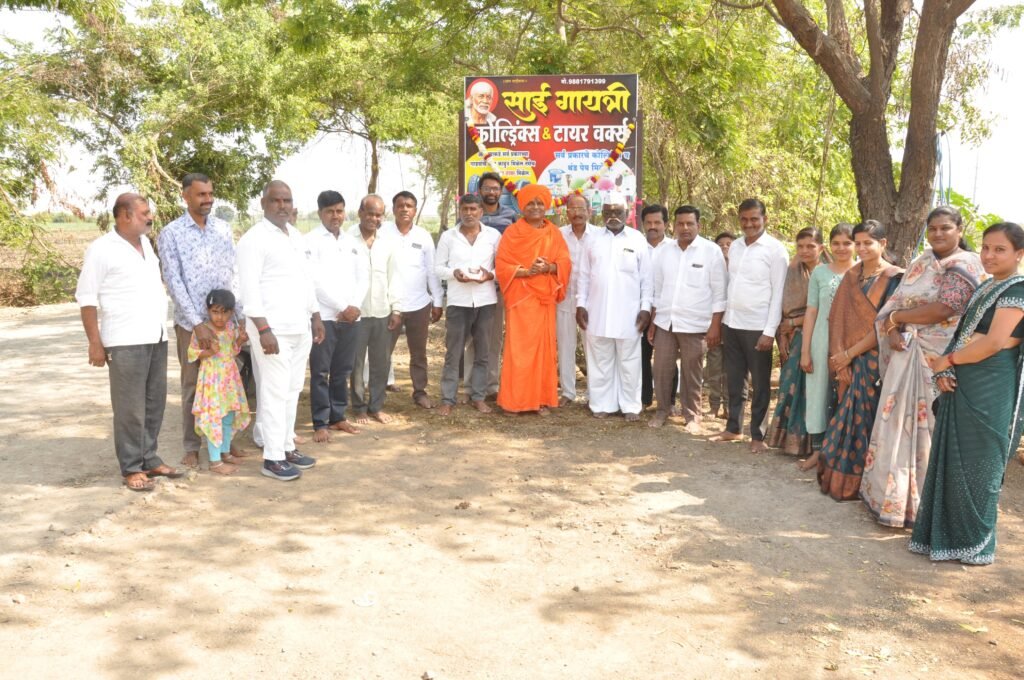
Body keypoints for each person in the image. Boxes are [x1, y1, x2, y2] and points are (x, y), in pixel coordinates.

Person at [860, 207, 984, 527]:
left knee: (929, 431)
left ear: (959, 230)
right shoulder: (922, 261)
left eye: (945, 228)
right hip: (907, 352)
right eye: (933, 228)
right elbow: (898, 303)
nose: (938, 234)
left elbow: (945, 309)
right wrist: (892, 327)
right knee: (895, 426)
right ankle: (891, 500)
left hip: (940, 359)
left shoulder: (965, 264)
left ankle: (925, 508)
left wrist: (897, 319)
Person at [909, 222, 1024, 565]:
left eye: (1000, 249)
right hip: (963, 379)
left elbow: (994, 342)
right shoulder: (987, 286)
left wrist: (947, 361)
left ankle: (976, 543)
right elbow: (964, 335)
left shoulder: (1018, 290)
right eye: (986, 247)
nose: (989, 255)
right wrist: (945, 369)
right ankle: (943, 537)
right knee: (952, 458)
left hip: (991, 386)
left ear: (1019, 254)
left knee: (981, 462)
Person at [75, 193, 180, 491]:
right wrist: (95, 342)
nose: (150, 217)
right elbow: (86, 298)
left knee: (154, 404)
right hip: (125, 340)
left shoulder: (146, 244)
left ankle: (150, 459)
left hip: (155, 336)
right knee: (129, 408)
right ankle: (132, 467)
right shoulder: (101, 249)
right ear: (125, 215)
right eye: (144, 213)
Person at [235, 180, 323, 481]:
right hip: (272, 331)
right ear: (263, 203)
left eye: (287, 200)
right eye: (276, 200)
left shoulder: (295, 236)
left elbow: (307, 280)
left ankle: (286, 446)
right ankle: (272, 457)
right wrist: (263, 329)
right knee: (273, 392)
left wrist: (316, 316)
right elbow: (248, 290)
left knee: (292, 389)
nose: (282, 205)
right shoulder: (253, 240)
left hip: (300, 326)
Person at [158, 173, 243, 469]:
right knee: (194, 386)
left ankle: (225, 443)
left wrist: (239, 318)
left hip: (225, 323)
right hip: (191, 325)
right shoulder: (171, 233)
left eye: (210, 193)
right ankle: (192, 446)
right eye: (200, 194)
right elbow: (173, 280)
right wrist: (197, 323)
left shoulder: (223, 229)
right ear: (185, 196)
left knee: (227, 384)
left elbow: (233, 274)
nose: (208, 199)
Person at [817, 220, 903, 500]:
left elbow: (883, 326)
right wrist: (840, 357)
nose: (862, 248)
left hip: (874, 361)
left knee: (866, 419)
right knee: (845, 414)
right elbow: (836, 320)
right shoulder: (852, 276)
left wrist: (849, 355)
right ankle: (842, 478)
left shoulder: (893, 278)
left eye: (869, 242)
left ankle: (865, 484)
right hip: (845, 357)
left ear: (883, 244)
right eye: (859, 243)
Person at [711, 199, 789, 453]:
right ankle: (734, 428)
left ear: (765, 219)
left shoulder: (775, 250)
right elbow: (730, 284)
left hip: (758, 327)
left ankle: (758, 435)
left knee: (761, 383)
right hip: (732, 323)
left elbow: (778, 293)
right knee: (735, 380)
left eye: (754, 219)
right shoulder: (735, 246)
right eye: (744, 219)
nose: (749, 224)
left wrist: (769, 331)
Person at [495, 183, 572, 415]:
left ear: (546, 206)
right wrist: (526, 271)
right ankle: (514, 401)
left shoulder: (553, 233)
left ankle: (539, 400)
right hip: (521, 298)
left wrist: (548, 267)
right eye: (530, 203)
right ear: (522, 206)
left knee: (543, 350)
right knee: (519, 350)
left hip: (543, 301)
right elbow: (502, 266)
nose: (536, 207)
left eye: (540, 203)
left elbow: (564, 263)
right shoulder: (512, 233)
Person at [648, 205, 726, 432]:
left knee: (692, 372)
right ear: (673, 226)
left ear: (698, 225)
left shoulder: (711, 251)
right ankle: (662, 410)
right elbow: (658, 290)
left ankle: (692, 415)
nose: (685, 228)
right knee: (661, 369)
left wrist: (715, 326)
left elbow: (720, 293)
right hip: (666, 322)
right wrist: (653, 323)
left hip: (696, 324)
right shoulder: (664, 252)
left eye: (690, 223)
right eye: (680, 223)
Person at [576, 191, 653, 421]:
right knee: (600, 361)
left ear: (627, 213)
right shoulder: (592, 239)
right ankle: (601, 404)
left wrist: (646, 308)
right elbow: (583, 276)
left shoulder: (637, 239)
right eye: (608, 211)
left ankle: (631, 406)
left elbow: (647, 279)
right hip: (597, 311)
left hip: (629, 314)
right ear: (601, 213)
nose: (613, 216)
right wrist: (580, 304)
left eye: (618, 211)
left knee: (630, 363)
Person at [306, 191, 368, 444]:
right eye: (330, 211)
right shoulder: (310, 241)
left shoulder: (353, 242)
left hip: (351, 318)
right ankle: (320, 422)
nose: (335, 216)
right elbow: (313, 281)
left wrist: (354, 306)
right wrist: (342, 306)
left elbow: (363, 277)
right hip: (325, 318)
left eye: (339, 211)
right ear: (320, 213)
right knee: (321, 371)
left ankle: (338, 416)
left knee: (343, 370)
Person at [435, 194, 502, 415]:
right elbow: (438, 268)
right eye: (465, 209)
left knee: (483, 352)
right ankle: (448, 399)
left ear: (481, 212)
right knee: (454, 353)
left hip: (486, 300)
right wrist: (454, 273)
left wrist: (489, 275)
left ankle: (478, 396)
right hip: (458, 301)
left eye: (473, 209)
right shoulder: (448, 236)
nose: (469, 213)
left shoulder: (493, 236)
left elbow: (502, 266)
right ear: (459, 211)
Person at [765, 227, 828, 455]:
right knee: (789, 384)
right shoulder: (792, 271)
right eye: (800, 246)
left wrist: (794, 322)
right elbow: (781, 304)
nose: (805, 251)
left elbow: (825, 309)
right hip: (790, 336)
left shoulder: (828, 273)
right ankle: (788, 440)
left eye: (810, 246)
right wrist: (784, 331)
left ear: (821, 247)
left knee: (813, 388)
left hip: (819, 335)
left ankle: (813, 443)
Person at [798, 223, 855, 470]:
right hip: (821, 339)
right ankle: (818, 452)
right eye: (836, 243)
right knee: (818, 393)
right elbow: (812, 311)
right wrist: (805, 350)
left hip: (852, 343)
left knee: (846, 394)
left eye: (847, 243)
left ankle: (842, 452)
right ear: (828, 246)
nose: (841, 248)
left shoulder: (861, 271)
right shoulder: (820, 273)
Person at [380, 191, 444, 409]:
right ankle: (377, 395)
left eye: (409, 206)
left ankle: (420, 392)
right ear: (393, 209)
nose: (404, 209)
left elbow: (431, 271)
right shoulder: (382, 233)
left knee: (419, 353)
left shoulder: (423, 236)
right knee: (382, 352)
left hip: (419, 304)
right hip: (389, 305)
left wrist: (437, 301)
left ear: (415, 210)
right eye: (400, 205)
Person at [464, 172, 519, 401]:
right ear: (480, 191)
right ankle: (469, 387)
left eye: (495, 189)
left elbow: (516, 247)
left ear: (501, 192)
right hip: (471, 288)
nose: (491, 192)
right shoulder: (470, 214)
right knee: (472, 339)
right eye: (487, 188)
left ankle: (491, 386)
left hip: (498, 286)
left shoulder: (511, 216)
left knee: (494, 338)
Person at [349, 195, 402, 424]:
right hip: (356, 314)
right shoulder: (347, 240)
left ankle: (376, 406)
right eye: (369, 213)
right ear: (360, 212)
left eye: (378, 215)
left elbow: (395, 278)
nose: (374, 218)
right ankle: (359, 407)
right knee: (356, 363)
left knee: (381, 363)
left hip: (382, 312)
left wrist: (396, 310)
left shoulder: (388, 243)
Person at [187, 289, 251, 476]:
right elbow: (192, 354)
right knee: (214, 418)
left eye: (224, 312)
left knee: (228, 416)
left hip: (229, 379)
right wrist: (209, 352)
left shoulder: (231, 328)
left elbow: (231, 351)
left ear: (231, 312)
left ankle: (225, 452)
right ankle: (215, 462)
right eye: (215, 312)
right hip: (211, 380)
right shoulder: (203, 331)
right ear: (208, 311)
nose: (219, 317)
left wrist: (239, 341)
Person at [557, 192, 597, 406]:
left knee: (592, 346)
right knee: (565, 346)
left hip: (591, 302)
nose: (577, 213)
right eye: (572, 208)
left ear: (589, 211)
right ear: (567, 212)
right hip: (564, 298)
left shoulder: (599, 235)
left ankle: (594, 393)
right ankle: (568, 392)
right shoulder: (558, 234)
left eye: (581, 209)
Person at [640, 204, 675, 411]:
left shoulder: (675, 248)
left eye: (657, 222)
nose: (652, 226)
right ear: (643, 224)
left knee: (667, 358)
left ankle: (669, 402)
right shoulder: (636, 245)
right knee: (641, 356)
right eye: (649, 222)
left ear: (666, 224)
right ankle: (644, 399)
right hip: (640, 312)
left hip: (665, 312)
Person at [703, 231, 735, 419]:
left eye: (728, 244)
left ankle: (729, 407)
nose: (724, 247)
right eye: (720, 244)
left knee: (731, 370)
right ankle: (714, 406)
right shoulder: (711, 267)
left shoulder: (739, 269)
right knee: (713, 368)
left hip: (734, 327)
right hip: (713, 325)